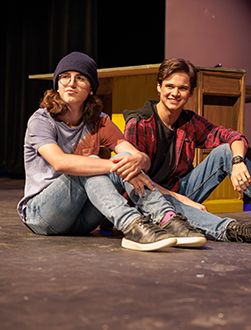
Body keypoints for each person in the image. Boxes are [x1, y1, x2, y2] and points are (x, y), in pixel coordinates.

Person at [17, 52, 206, 252]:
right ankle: (131, 225)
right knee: (93, 163)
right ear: (57, 83)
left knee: (125, 159)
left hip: (81, 221)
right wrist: (115, 165)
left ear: (90, 89)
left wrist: (137, 160)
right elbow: (60, 162)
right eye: (65, 76)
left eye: (80, 78)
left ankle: (166, 218)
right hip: (42, 215)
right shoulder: (41, 120)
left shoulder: (100, 121)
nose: (71, 83)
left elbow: (139, 158)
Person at [123, 58, 251, 247]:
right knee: (170, 201)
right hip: (147, 198)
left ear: (191, 92)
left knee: (227, 150)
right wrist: (180, 198)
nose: (175, 93)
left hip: (180, 190)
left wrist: (237, 161)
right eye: (169, 86)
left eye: (182, 88)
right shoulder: (139, 123)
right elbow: (136, 177)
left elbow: (233, 137)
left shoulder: (188, 121)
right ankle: (234, 231)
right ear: (159, 86)